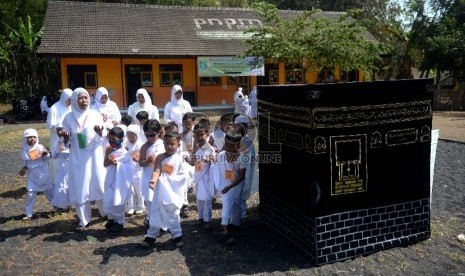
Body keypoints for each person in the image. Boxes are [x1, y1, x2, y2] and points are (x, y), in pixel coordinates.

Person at [60, 87, 107, 232]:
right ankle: (84, 220)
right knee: (80, 187)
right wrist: (66, 138)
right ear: (74, 100)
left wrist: (100, 133)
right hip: (78, 158)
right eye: (80, 98)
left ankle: (105, 213)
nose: (83, 100)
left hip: (94, 155)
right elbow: (65, 142)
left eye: (86, 97)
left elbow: (103, 136)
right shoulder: (68, 118)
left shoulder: (95, 114)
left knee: (99, 183)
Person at [141, 131, 188, 248]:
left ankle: (177, 236)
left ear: (178, 144)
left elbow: (183, 176)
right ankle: (151, 236)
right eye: (166, 144)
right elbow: (156, 170)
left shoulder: (179, 159)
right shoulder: (160, 157)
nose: (169, 146)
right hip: (160, 190)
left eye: (172, 144)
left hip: (173, 191)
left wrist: (170, 179)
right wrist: (153, 180)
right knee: (156, 211)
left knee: (172, 213)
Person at [213, 129, 246, 245]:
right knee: (227, 204)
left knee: (236, 205)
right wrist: (224, 186)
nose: (228, 147)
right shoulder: (221, 155)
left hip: (236, 185)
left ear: (238, 146)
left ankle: (235, 224)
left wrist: (231, 186)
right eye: (226, 144)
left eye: (231, 146)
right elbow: (217, 167)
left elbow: (241, 175)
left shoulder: (242, 158)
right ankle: (225, 231)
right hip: (226, 185)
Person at [18, 128, 54, 220]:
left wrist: (46, 154)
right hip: (33, 177)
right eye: (29, 137)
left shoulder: (40, 147)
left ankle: (58, 207)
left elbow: (47, 158)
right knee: (30, 195)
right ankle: (29, 214)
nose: (32, 139)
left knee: (50, 193)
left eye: (34, 137)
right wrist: (24, 168)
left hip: (44, 175)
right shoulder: (24, 150)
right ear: (25, 139)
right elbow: (28, 158)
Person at [103, 126, 133, 234]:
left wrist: (118, 164)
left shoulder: (125, 152)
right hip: (110, 178)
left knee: (118, 200)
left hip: (120, 181)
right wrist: (110, 162)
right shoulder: (108, 149)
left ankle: (120, 222)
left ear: (121, 139)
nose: (111, 142)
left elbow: (129, 168)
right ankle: (111, 219)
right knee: (109, 199)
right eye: (110, 140)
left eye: (114, 140)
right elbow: (104, 164)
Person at [138, 119, 165, 226]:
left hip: (162, 175)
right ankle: (151, 218)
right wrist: (148, 161)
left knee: (161, 199)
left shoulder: (164, 144)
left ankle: (162, 219)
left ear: (159, 132)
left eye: (152, 135)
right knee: (150, 200)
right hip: (148, 176)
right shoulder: (144, 147)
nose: (149, 138)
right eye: (146, 135)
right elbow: (140, 163)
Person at [192, 120, 216, 230]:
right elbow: (193, 160)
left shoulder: (210, 149)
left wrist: (210, 160)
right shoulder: (196, 147)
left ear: (207, 134)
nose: (199, 137)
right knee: (199, 200)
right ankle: (200, 218)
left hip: (206, 177)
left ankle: (207, 220)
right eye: (197, 135)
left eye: (202, 135)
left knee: (207, 200)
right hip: (198, 176)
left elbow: (214, 161)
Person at [233, 114, 258, 222]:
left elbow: (249, 156)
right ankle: (234, 215)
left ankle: (241, 216)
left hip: (244, 171)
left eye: (244, 126)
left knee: (242, 194)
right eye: (239, 126)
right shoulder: (233, 138)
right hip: (235, 170)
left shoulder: (247, 141)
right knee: (234, 194)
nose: (241, 128)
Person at [46, 88, 73, 185]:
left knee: (69, 158)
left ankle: (69, 181)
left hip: (69, 138)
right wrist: (60, 130)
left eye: (71, 99)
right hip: (57, 138)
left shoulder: (72, 107)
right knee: (57, 159)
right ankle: (56, 181)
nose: (70, 102)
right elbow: (51, 125)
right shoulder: (54, 108)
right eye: (69, 99)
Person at [50, 128, 72, 213]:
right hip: (62, 168)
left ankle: (74, 204)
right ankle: (64, 205)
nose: (59, 132)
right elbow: (55, 155)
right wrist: (48, 154)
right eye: (57, 130)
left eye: (61, 130)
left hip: (72, 167)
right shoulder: (58, 141)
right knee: (62, 186)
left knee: (72, 186)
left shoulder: (74, 139)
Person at [125, 124, 144, 216]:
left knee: (139, 189)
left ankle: (140, 206)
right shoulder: (126, 144)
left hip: (138, 170)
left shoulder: (140, 145)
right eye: (128, 135)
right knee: (130, 189)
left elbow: (143, 157)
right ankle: (131, 206)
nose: (130, 137)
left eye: (133, 135)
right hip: (128, 170)